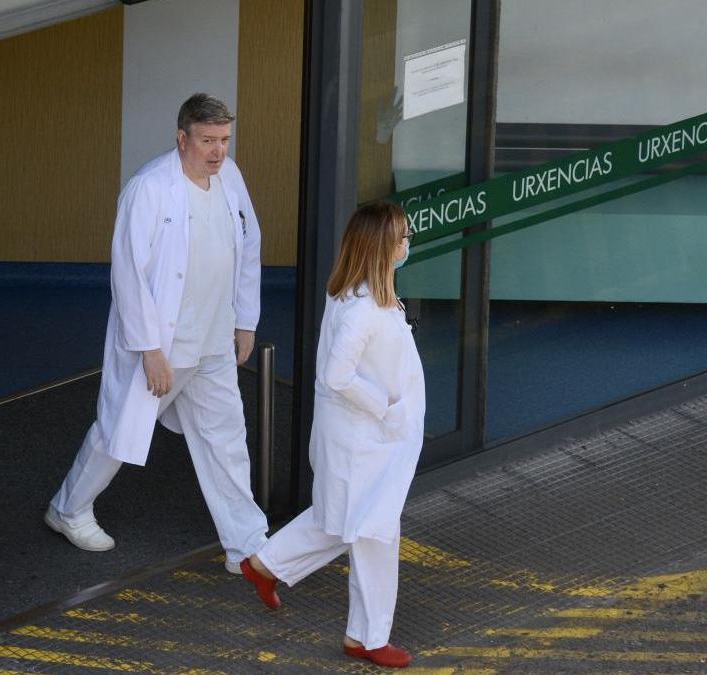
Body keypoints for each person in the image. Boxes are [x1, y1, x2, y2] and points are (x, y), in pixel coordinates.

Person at [44, 93, 269, 575]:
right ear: (182, 138)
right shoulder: (148, 188)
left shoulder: (229, 178)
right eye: (208, 141)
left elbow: (248, 244)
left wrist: (244, 319)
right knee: (117, 432)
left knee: (226, 436)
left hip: (212, 340)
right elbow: (127, 274)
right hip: (163, 345)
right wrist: (150, 350)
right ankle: (67, 509)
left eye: (224, 141)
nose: (218, 152)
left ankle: (246, 541)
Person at [239, 201, 425, 669]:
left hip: (366, 441)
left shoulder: (356, 293)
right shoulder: (363, 308)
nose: (407, 245)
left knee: (338, 519)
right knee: (374, 534)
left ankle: (265, 565)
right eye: (402, 237)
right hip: (367, 442)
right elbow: (337, 373)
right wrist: (386, 408)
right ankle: (365, 637)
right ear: (382, 248)